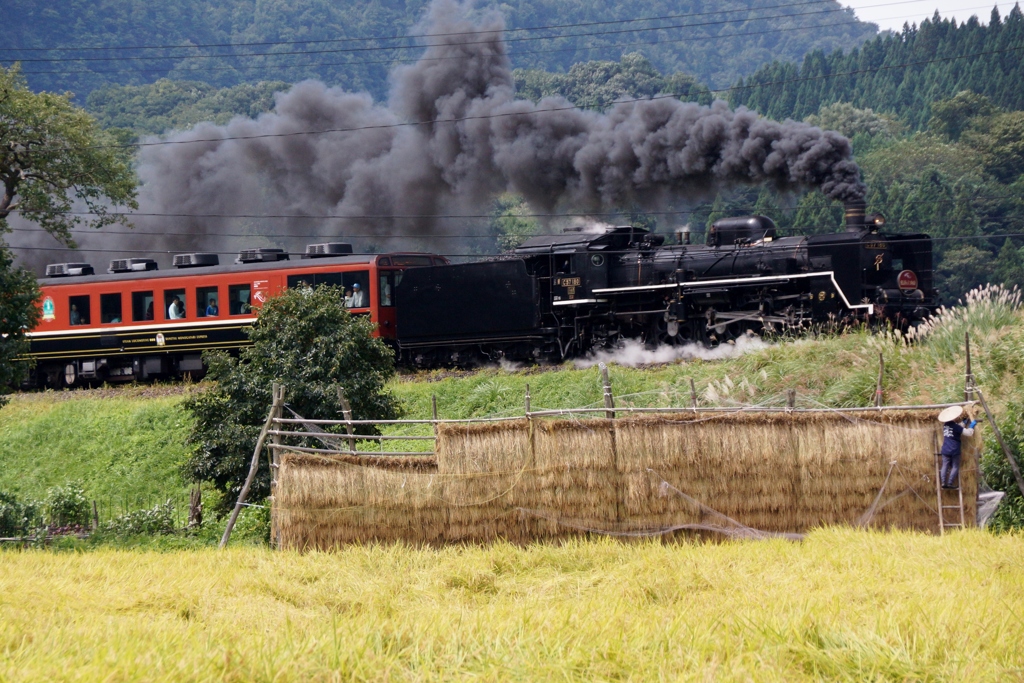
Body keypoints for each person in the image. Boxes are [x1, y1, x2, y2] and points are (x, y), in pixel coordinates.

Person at [938, 405, 977, 490]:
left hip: (945, 449)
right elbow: (968, 433)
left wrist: (964, 421)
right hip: (954, 449)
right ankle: (950, 482)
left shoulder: (945, 425)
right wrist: (972, 425)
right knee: (955, 466)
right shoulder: (955, 426)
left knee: (945, 465)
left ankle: (944, 483)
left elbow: (958, 427)